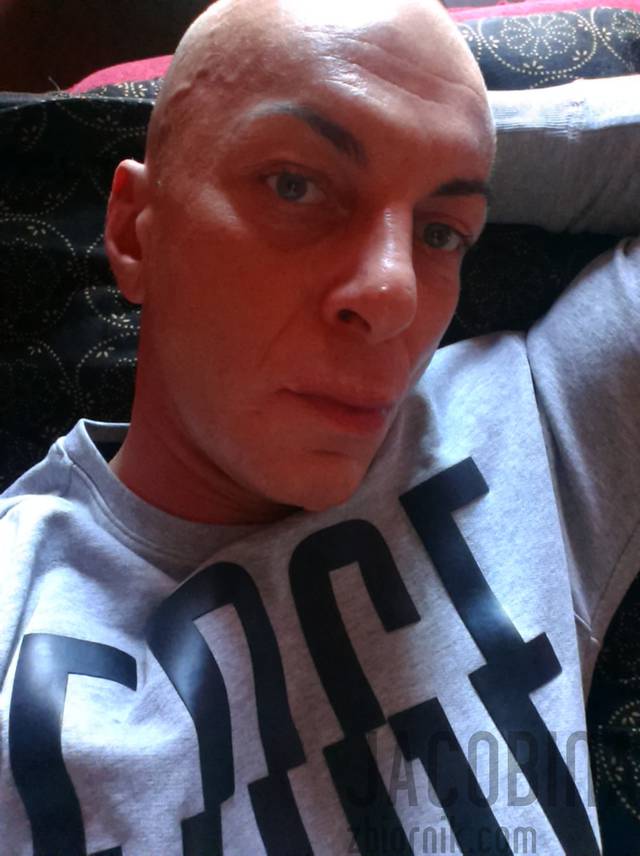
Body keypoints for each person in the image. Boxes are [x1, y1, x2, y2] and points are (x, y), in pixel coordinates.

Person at [0, 0, 638, 853]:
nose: (394, 296)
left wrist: (465, 143)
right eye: (295, 186)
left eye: (441, 232)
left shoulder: (535, 417)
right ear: (133, 231)